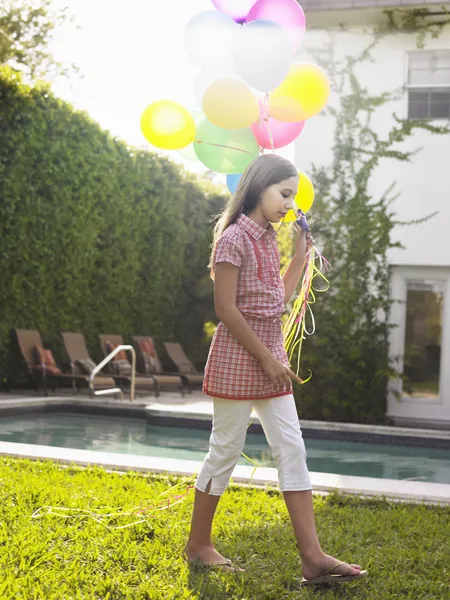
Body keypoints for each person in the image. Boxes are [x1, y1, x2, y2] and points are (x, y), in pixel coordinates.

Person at [184, 154, 367, 585]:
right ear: (258, 187)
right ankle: (198, 545)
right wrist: (267, 358)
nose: (290, 204)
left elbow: (275, 301)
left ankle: (313, 557)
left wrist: (300, 254)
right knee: (225, 448)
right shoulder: (233, 239)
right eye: (284, 193)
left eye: (293, 196)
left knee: (292, 447)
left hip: (270, 358)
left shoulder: (268, 238)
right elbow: (226, 310)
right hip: (239, 357)